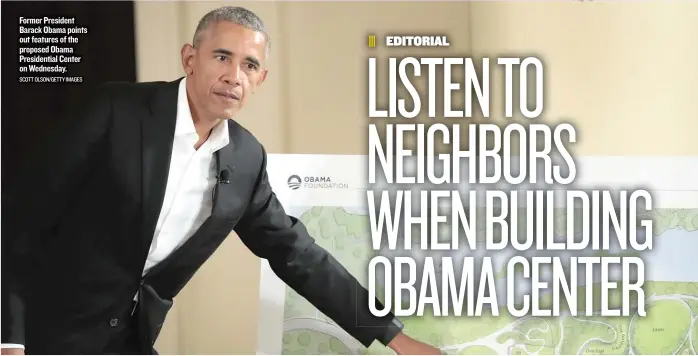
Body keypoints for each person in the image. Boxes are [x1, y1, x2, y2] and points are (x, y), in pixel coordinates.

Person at [1, 6, 442, 355]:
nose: (235, 76)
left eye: (250, 65)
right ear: (189, 58)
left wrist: (395, 338)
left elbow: (298, 255)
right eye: (222, 57)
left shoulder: (245, 159)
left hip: (126, 342)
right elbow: (19, 224)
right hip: (41, 336)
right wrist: (10, 340)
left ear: (260, 79)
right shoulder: (115, 111)